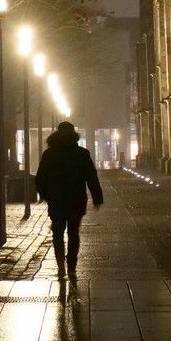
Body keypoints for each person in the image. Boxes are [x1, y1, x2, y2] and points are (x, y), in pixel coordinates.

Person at [35, 120, 103, 281]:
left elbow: (39, 179)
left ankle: (60, 266)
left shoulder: (49, 154)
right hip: (76, 199)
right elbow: (91, 177)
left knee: (57, 233)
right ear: (74, 135)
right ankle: (71, 266)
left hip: (57, 200)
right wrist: (97, 198)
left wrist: (46, 195)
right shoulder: (82, 154)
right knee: (74, 233)